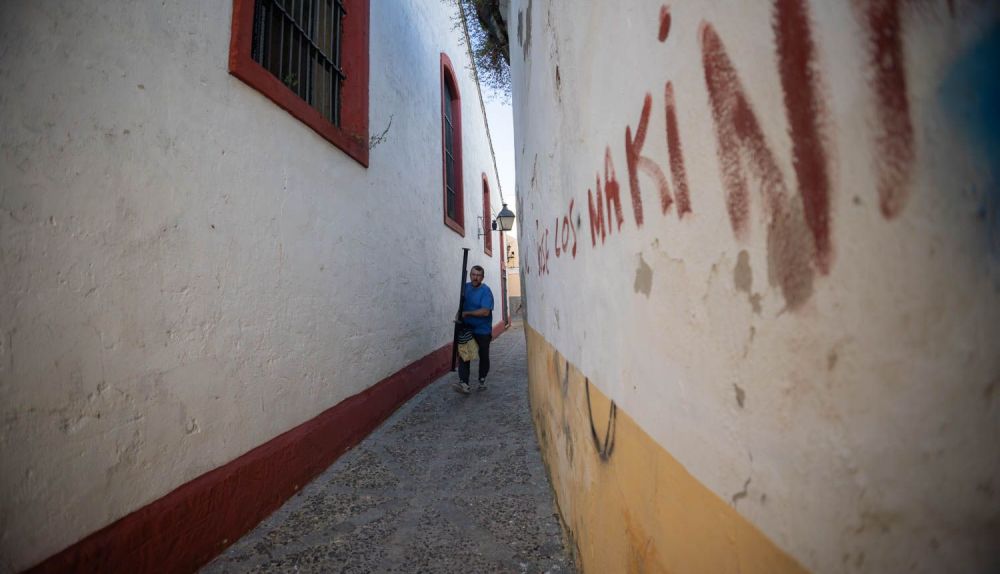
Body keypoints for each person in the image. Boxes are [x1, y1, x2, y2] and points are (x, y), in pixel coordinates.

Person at [453, 265, 494, 395]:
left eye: (478, 275)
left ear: (482, 277)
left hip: (482, 330)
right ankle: (464, 383)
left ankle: (482, 378)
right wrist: (459, 314)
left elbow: (485, 311)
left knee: (483, 356)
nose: (475, 277)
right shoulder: (465, 287)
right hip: (467, 328)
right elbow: (462, 304)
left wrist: (467, 314)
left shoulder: (486, 291)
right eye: (473, 275)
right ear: (470, 275)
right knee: (465, 354)